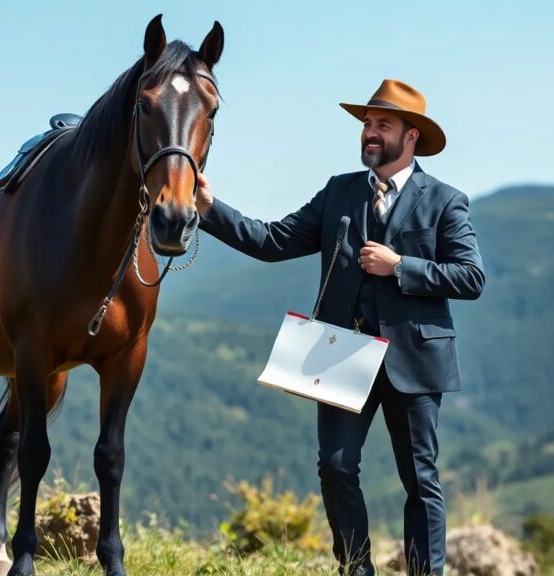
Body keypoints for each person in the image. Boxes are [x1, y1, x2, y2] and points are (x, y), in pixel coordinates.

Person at [195, 79, 484, 576]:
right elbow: (272, 240)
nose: (369, 134)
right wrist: (208, 209)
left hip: (415, 359)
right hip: (341, 354)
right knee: (335, 468)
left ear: (411, 136)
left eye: (382, 125)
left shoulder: (445, 200)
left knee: (420, 479)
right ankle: (356, 569)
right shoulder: (339, 191)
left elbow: (471, 276)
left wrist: (400, 266)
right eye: (366, 125)